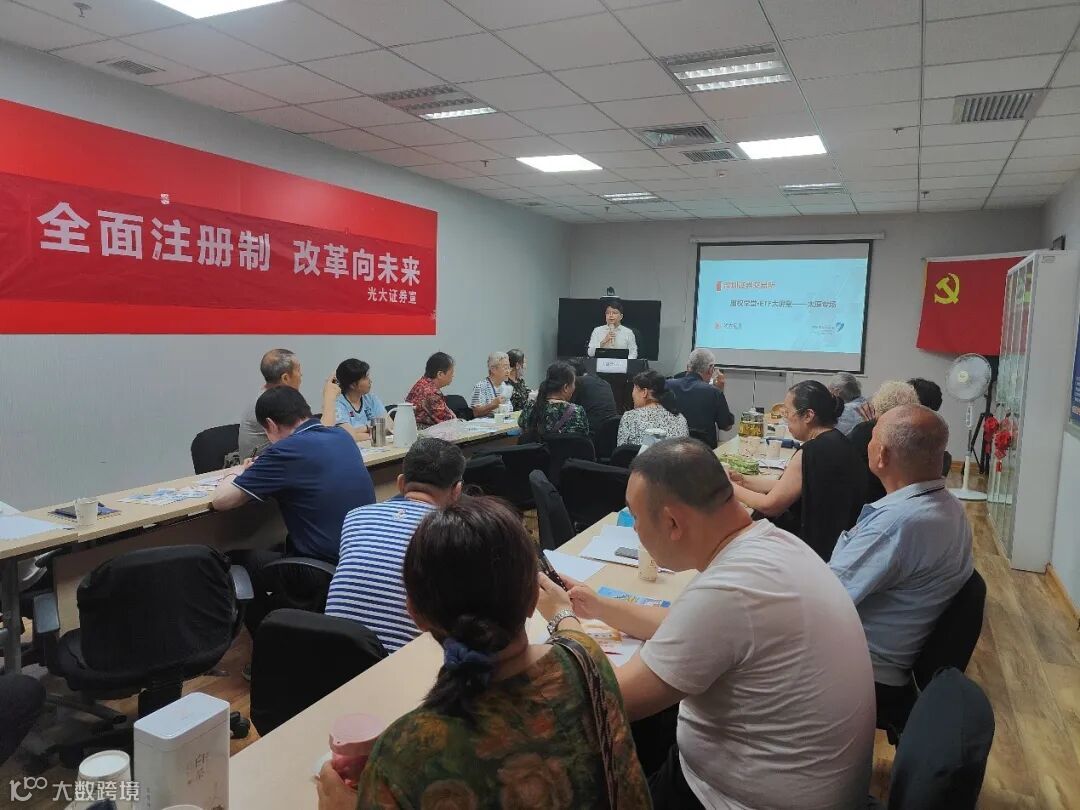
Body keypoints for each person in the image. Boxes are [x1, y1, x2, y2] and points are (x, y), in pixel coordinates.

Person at [537, 439, 874, 809]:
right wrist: (598, 606)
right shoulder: (769, 543)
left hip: (728, 799)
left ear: (672, 522)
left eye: (635, 518)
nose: (635, 531)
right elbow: (679, 624)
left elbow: (610, 700)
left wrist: (562, 618)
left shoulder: (729, 592)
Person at [315, 497, 650, 809]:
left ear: (415, 613)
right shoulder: (588, 664)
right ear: (533, 598)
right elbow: (574, 639)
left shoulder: (404, 754)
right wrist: (563, 612)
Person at [830, 404, 973, 736]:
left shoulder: (897, 525)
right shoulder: (950, 507)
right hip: (895, 661)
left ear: (881, 455)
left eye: (873, 436)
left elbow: (822, 600)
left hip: (861, 669)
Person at [213, 387, 375, 635]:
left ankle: (270, 642)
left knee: (233, 562)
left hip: (322, 568)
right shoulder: (341, 437)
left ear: (270, 424)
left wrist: (236, 472)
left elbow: (222, 500)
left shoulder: (285, 450)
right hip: (361, 559)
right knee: (276, 546)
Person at [325, 438, 465, 654]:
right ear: (457, 491)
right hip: (401, 664)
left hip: (332, 656)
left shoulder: (355, 517)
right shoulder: (455, 531)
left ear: (400, 483)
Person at [731, 380, 865, 561]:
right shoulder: (838, 440)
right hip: (840, 543)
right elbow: (791, 485)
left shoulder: (813, 451)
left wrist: (729, 488)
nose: (786, 419)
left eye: (787, 413)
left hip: (815, 550)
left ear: (808, 415)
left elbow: (770, 505)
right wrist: (744, 481)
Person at [849, 380, 920, 504]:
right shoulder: (916, 432)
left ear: (878, 405)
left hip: (868, 498)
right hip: (905, 498)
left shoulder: (865, 431)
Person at [239, 348, 302, 459]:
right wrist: (328, 399)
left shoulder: (269, 395)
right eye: (298, 370)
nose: (301, 374)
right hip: (264, 466)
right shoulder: (272, 405)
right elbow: (311, 442)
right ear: (285, 378)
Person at [665, 348, 733, 447]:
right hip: (702, 450)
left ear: (688, 367)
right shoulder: (714, 392)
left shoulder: (667, 385)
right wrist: (720, 391)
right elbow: (726, 426)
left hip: (671, 448)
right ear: (710, 369)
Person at [320, 359, 390, 442]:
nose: (370, 381)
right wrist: (371, 429)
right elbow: (348, 435)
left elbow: (390, 426)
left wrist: (360, 430)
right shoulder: (337, 403)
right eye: (365, 378)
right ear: (352, 385)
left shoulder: (371, 399)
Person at [519, 361, 589, 440]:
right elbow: (584, 439)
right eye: (573, 384)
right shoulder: (577, 412)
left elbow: (522, 426)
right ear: (565, 387)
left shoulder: (531, 406)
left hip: (536, 448)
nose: (574, 387)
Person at [618, 370, 689, 447]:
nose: (632, 395)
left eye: (634, 389)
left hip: (645, 455)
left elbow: (621, 451)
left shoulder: (629, 417)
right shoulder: (680, 418)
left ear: (644, 392)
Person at [404, 352, 457, 429]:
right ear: (440, 374)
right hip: (425, 434)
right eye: (451, 372)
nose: (453, 375)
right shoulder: (431, 393)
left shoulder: (422, 383)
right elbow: (449, 422)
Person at [569, 356, 618, 435]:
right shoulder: (605, 382)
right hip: (612, 430)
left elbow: (569, 408)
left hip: (591, 431)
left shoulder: (578, 382)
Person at [468, 352, 511, 417]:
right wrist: (492, 405)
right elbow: (476, 412)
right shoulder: (481, 386)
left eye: (509, 367)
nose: (508, 371)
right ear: (493, 369)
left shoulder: (504, 385)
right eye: (505, 367)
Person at [829, 371, 867, 436]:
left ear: (837, 392)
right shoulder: (865, 403)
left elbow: (832, 436)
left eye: (830, 391)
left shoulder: (844, 412)